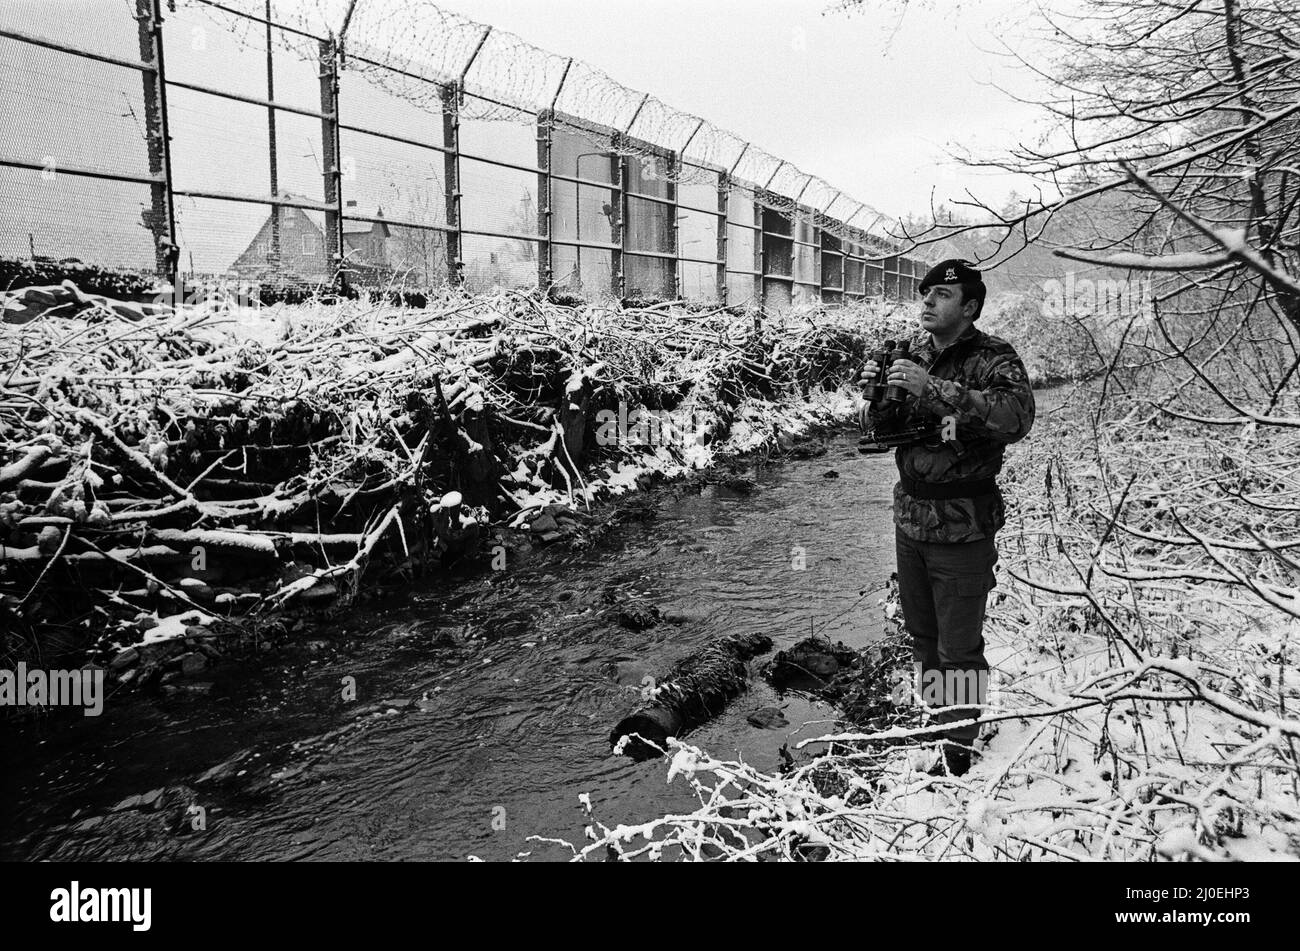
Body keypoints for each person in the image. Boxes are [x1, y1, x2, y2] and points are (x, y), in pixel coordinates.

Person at [858, 259, 1035, 776]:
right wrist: (875, 397)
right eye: (925, 293)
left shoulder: (993, 356)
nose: (928, 302)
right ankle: (940, 725)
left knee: (959, 647)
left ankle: (960, 753)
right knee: (923, 635)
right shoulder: (909, 354)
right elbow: (879, 434)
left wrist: (931, 390)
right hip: (910, 518)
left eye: (941, 294)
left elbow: (1014, 418)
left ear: (970, 307)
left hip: (962, 524)